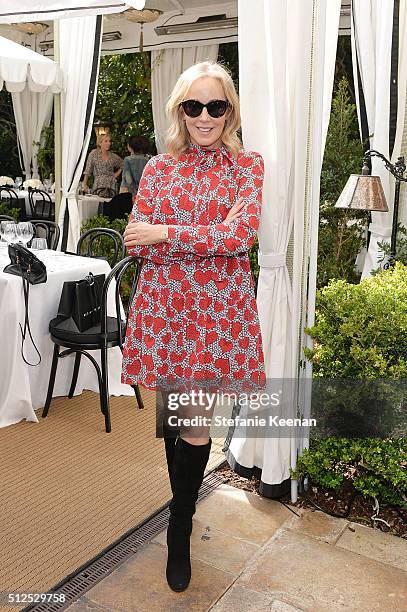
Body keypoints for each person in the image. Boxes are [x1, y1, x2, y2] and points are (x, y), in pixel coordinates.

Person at [122, 61, 266, 592]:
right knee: (176, 417)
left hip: (215, 315)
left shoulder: (248, 166)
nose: (205, 116)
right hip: (166, 308)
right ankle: (181, 504)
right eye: (194, 106)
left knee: (196, 421)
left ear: (230, 110)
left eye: (216, 106)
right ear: (180, 110)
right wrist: (169, 236)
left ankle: (178, 528)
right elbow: (139, 242)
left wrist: (165, 231)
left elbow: (238, 239)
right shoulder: (159, 168)